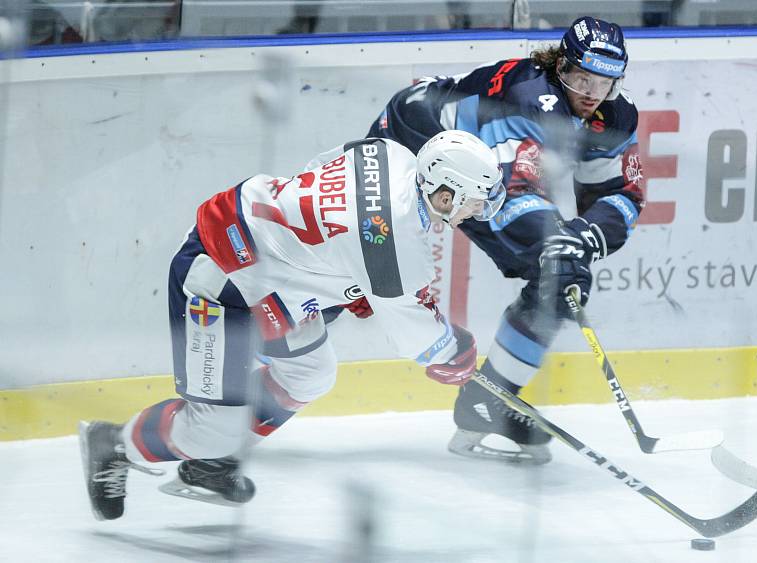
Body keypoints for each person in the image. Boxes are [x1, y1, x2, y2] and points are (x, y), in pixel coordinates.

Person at [79, 130, 507, 521]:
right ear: (445, 192)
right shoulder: (398, 247)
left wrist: (347, 277)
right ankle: (115, 445)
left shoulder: (389, 153)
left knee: (309, 373)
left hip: (267, 270)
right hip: (222, 276)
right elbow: (420, 340)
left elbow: (319, 175)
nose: (475, 211)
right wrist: (455, 355)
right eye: (473, 199)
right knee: (208, 430)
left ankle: (212, 465)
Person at [362, 16, 645, 464]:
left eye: (605, 83)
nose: (591, 93)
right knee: (360, 268)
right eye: (580, 77)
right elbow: (512, 191)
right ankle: (253, 333)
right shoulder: (528, 98)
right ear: (560, 65)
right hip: (410, 140)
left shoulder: (617, 115)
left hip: (476, 172)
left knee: (558, 281)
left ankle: (489, 402)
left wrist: (586, 238)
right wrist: (555, 244)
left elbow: (620, 193)